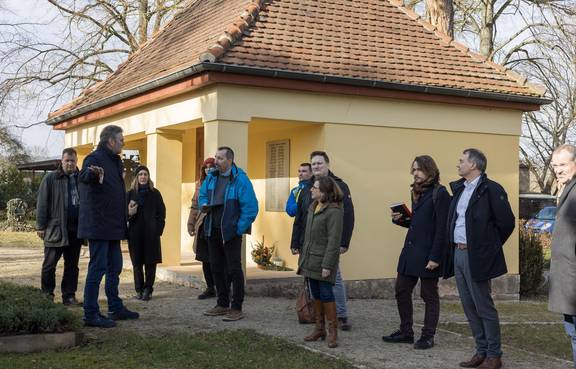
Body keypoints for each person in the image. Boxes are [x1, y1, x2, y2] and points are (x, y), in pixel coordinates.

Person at [443, 148, 515, 369]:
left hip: (477, 255)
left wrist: (487, 247)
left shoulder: (491, 189)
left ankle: (494, 355)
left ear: (473, 165)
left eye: (461, 160)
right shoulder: (460, 189)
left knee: (483, 305)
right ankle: (481, 351)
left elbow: (507, 223)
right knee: (468, 305)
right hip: (459, 253)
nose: (458, 164)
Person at [382, 155, 451, 349]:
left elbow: (442, 228)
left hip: (429, 254)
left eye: (418, 169)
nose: (415, 173)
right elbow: (418, 223)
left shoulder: (441, 193)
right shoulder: (417, 192)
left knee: (429, 296)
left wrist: (436, 257)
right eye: (413, 170)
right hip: (411, 252)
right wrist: (400, 219)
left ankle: (428, 336)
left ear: (429, 170)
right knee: (401, 290)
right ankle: (406, 332)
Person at [79, 125, 139, 328]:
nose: (123, 142)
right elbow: (84, 177)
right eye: (121, 139)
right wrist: (93, 174)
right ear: (110, 141)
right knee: (97, 269)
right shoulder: (94, 159)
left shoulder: (115, 161)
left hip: (113, 226)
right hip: (99, 225)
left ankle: (115, 307)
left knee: (115, 267)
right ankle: (90, 314)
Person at [291, 151, 355, 330]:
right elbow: (300, 217)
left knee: (334, 278)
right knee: (312, 278)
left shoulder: (340, 186)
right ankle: (317, 316)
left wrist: (344, 242)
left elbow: (348, 216)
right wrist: (295, 242)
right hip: (308, 241)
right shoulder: (306, 188)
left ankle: (340, 316)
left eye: (319, 163)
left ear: (327, 164)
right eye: (314, 164)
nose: (316, 166)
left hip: (329, 243)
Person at [199, 146, 258, 322]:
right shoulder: (211, 177)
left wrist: (238, 229)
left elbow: (251, 208)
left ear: (230, 160)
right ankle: (222, 303)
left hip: (230, 232)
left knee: (233, 269)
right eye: (216, 157)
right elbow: (202, 196)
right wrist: (203, 204)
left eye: (220, 158)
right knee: (216, 267)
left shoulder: (241, 180)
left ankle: (236, 307)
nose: (215, 161)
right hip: (212, 229)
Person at [298, 176, 343, 348]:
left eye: (315, 187)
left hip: (323, 261)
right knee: (315, 294)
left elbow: (334, 241)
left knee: (326, 294)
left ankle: (333, 332)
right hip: (310, 260)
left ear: (324, 191)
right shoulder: (313, 207)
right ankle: (319, 329)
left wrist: (327, 265)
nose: (311, 189)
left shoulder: (334, 211)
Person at [36, 148, 83, 306]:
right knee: (49, 265)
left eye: (72, 160)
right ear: (61, 161)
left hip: (76, 229)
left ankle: (69, 296)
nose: (70, 163)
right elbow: (42, 203)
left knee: (72, 266)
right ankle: (47, 295)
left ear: (76, 162)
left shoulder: (81, 179)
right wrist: (40, 226)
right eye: (67, 160)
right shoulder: (51, 178)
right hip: (55, 228)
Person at [548, 144, 576, 368]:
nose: (558, 169)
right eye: (555, 165)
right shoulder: (566, 187)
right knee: (572, 333)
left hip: (574, 278)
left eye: (563, 164)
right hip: (567, 277)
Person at [126, 165, 166, 301]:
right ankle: (139, 289)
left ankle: (148, 289)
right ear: (136, 178)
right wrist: (129, 213)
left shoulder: (155, 193)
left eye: (145, 174)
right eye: (140, 174)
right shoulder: (130, 194)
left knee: (151, 262)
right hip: (135, 234)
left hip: (151, 234)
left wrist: (158, 230)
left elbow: (162, 213)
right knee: (137, 262)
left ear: (148, 177)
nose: (143, 177)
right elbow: (123, 214)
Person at [187, 157, 217, 300]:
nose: (209, 169)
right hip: (202, 225)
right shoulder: (199, 184)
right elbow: (194, 205)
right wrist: (190, 223)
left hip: (215, 224)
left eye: (212, 166)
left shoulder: (219, 182)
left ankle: (220, 287)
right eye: (206, 167)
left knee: (216, 259)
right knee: (205, 258)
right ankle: (210, 287)